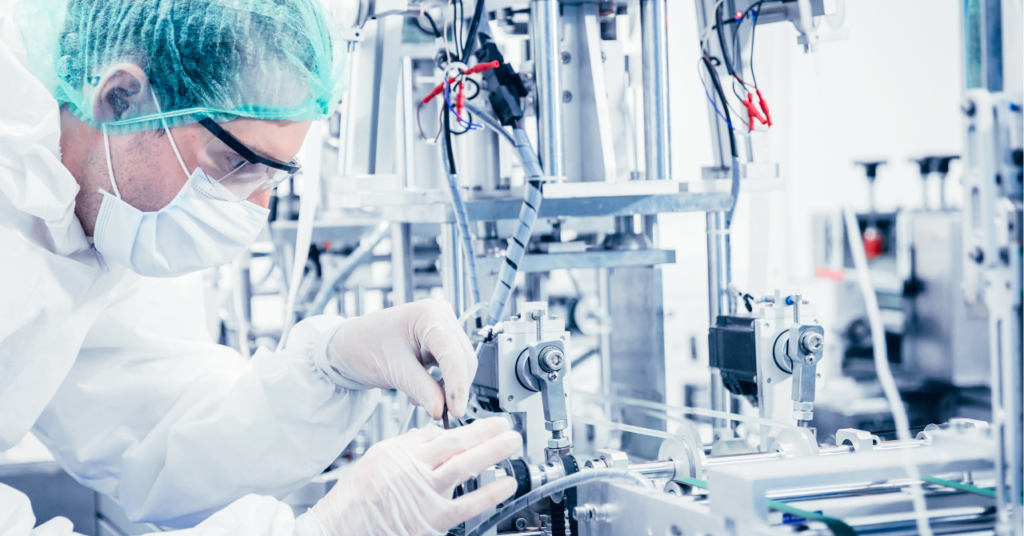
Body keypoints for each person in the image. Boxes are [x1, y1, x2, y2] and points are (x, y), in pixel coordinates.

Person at [0, 0, 520, 534]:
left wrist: (332, 369)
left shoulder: (99, 214)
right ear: (120, 98)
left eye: (272, 177)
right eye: (238, 163)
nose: (254, 208)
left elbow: (153, 427)